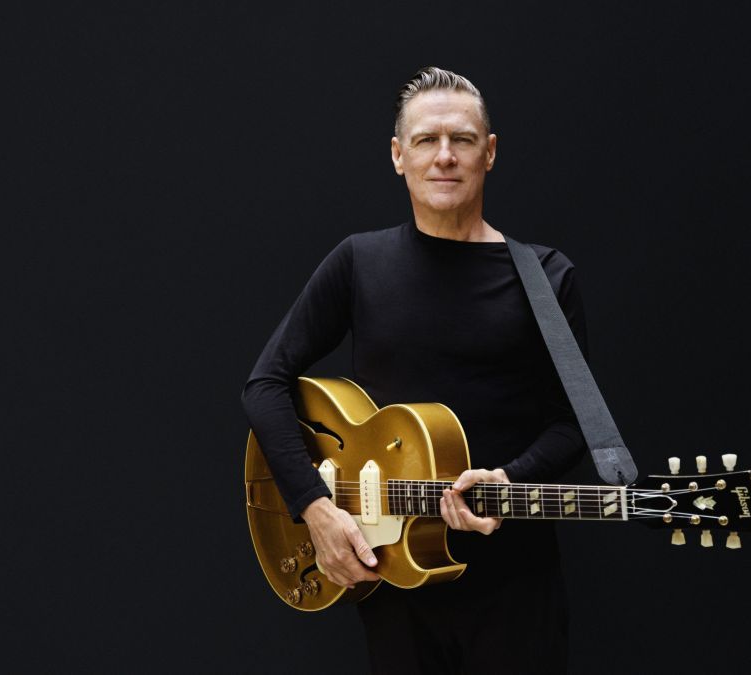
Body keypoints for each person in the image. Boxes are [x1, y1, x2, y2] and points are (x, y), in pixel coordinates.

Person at [242, 66, 588, 674]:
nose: (445, 156)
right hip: (395, 582)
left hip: (516, 585)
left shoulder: (546, 276)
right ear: (399, 156)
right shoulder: (359, 262)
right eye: (427, 140)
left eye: (463, 140)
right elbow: (264, 384)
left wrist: (510, 478)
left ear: (490, 152)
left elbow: (574, 424)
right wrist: (315, 508)